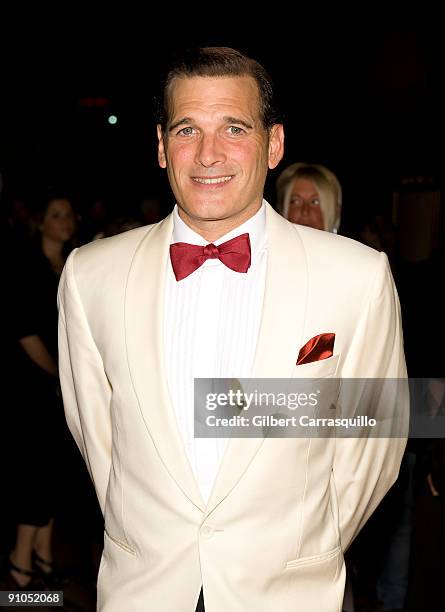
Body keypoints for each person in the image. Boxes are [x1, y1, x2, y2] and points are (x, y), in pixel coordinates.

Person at [58, 47, 407, 611]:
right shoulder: (90, 275)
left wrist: (300, 549)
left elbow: (373, 446)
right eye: (186, 129)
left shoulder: (356, 277)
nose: (208, 154)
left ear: (274, 145)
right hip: (143, 591)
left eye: (234, 128)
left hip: (287, 594)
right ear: (160, 146)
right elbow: (98, 438)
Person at [5, 193, 77, 590]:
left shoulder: (71, 263)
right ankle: (20, 565)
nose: (65, 220)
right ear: (40, 222)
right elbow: (24, 331)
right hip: (32, 387)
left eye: (68, 213)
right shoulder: (25, 265)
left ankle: (43, 556)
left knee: (55, 474)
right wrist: (59, 376)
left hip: (60, 385)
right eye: (56, 214)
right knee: (34, 475)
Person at [276, 162, 342, 232]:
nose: (305, 211)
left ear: (335, 210)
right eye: (295, 201)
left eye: (315, 202)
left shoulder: (349, 243)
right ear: (281, 210)